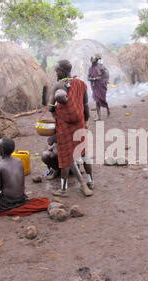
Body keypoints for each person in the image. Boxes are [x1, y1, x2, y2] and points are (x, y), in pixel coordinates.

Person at [49, 60, 94, 197]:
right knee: (83, 153)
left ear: (62, 71)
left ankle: (63, 189)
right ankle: (91, 181)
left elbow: (51, 107)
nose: (56, 72)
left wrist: (56, 114)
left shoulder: (57, 85)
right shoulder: (81, 84)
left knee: (66, 157)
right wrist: (85, 122)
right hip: (80, 123)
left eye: (57, 70)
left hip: (64, 126)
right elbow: (85, 106)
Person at [88, 54, 110, 121]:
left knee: (102, 100)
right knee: (97, 101)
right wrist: (93, 79)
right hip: (95, 87)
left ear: (97, 60)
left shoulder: (101, 67)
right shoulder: (90, 69)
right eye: (92, 60)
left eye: (94, 59)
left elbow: (106, 75)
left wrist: (103, 80)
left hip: (101, 86)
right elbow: (88, 77)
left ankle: (107, 109)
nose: (92, 61)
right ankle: (98, 116)